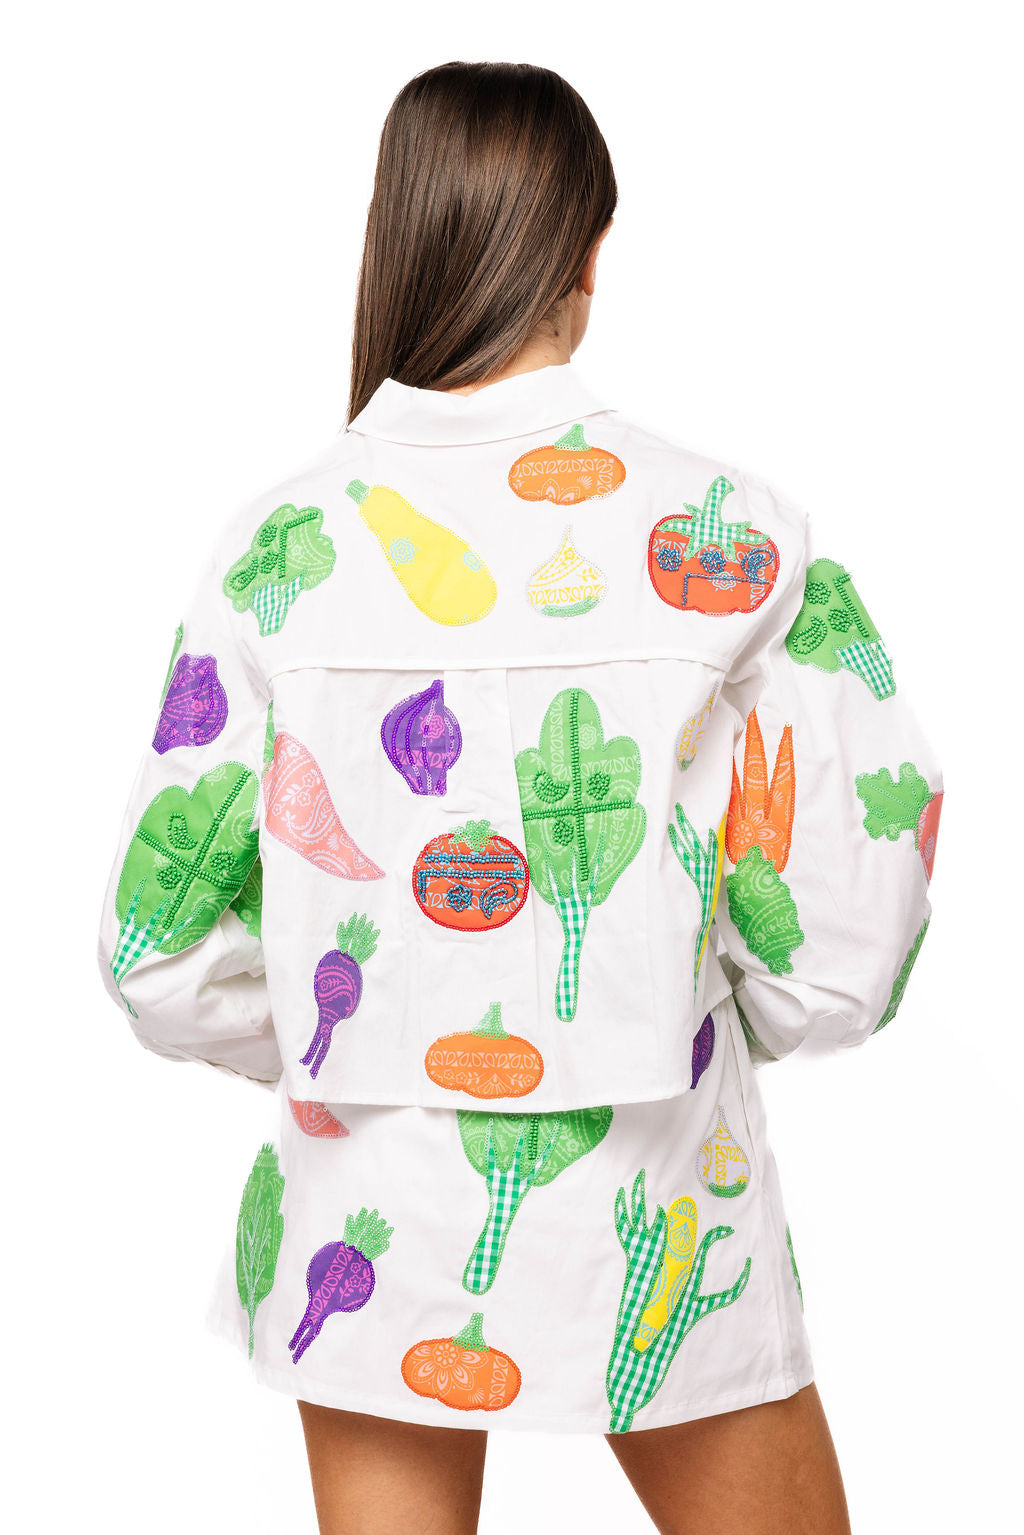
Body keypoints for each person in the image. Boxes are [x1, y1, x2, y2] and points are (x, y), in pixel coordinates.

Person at [97, 60, 941, 1535]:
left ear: (399, 237)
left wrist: (362, 1031)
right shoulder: (738, 535)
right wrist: (662, 1002)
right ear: (591, 257)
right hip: (669, 1199)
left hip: (366, 1209)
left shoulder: (277, 546)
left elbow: (153, 951)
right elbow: (845, 946)